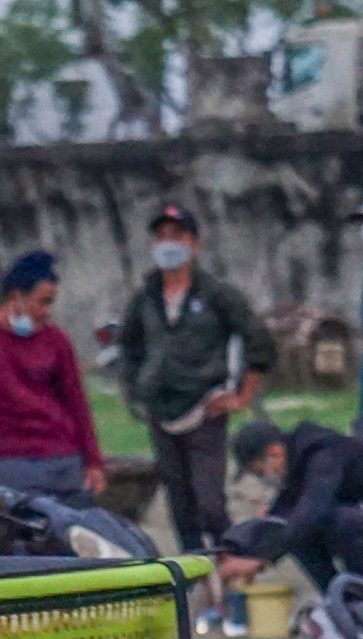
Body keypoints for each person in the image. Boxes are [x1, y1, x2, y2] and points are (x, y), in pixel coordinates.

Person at [117, 205, 276, 558]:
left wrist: (242, 396)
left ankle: (235, 566)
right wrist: (135, 387)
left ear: (194, 244)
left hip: (206, 409)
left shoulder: (217, 294)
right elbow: (127, 344)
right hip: (161, 411)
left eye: (177, 236)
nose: (168, 245)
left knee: (210, 505)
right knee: (180, 505)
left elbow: (259, 341)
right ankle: (197, 584)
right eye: (161, 237)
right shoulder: (146, 297)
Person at [0, 249, 106, 505]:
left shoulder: (56, 340)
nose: (47, 312)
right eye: (42, 302)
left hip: (65, 460)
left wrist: (94, 462)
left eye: (50, 303)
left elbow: (76, 402)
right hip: (14, 463)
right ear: (16, 297)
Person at [220, 419, 363, 590]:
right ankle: (339, 599)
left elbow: (313, 510)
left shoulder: (324, 455)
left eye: (260, 472)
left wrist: (259, 559)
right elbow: (282, 514)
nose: (265, 477)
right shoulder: (298, 460)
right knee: (296, 534)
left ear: (275, 453)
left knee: (342, 520)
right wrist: (248, 549)